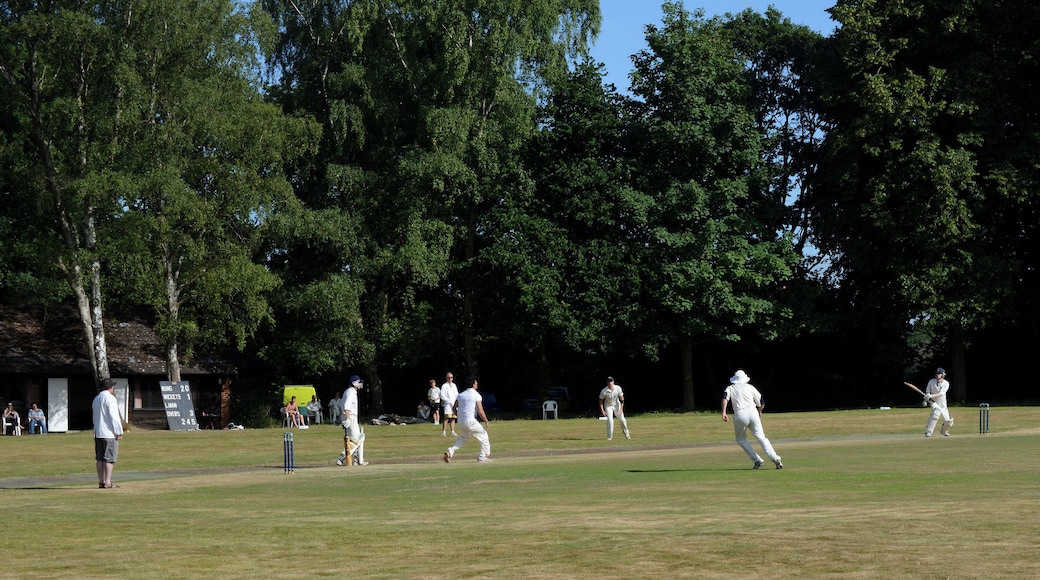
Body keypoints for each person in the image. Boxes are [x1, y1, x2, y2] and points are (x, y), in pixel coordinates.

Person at [721, 369, 783, 470]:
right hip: (753, 412)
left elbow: (725, 397)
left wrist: (724, 412)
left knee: (741, 439)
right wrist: (759, 411)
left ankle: (757, 460)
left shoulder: (731, 388)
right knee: (761, 437)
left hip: (740, 413)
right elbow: (762, 401)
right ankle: (775, 458)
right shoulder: (750, 387)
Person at [443, 377, 492, 463]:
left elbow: (454, 408)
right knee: (484, 436)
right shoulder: (476, 395)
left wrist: (459, 416)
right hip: (470, 421)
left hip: (461, 421)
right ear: (473, 384)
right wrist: (486, 421)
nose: (477, 384)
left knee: (463, 437)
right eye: (476, 383)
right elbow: (480, 411)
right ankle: (482, 456)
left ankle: (450, 451)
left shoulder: (461, 395)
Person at [93, 378, 124, 488]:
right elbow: (114, 416)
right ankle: (107, 482)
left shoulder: (96, 398)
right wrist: (118, 431)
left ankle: (101, 481)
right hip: (109, 433)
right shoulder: (110, 398)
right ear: (110, 387)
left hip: (98, 432)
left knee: (100, 458)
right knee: (109, 458)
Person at [336, 375, 368, 466]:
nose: (360, 384)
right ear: (354, 383)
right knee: (357, 439)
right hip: (350, 416)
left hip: (347, 416)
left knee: (357, 438)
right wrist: (348, 418)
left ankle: (356, 460)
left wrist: (341, 418)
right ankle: (342, 458)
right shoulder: (351, 392)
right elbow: (346, 406)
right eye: (359, 382)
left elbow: (340, 406)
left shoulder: (348, 391)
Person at [923, 367, 954, 437]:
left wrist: (931, 395)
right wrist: (926, 400)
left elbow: (941, 394)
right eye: (936, 373)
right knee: (936, 412)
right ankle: (928, 432)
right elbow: (927, 392)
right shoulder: (931, 381)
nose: (937, 375)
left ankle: (944, 431)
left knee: (949, 422)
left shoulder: (946, 383)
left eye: (939, 373)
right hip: (934, 402)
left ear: (943, 375)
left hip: (942, 404)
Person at [440, 372, 459, 437]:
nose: (450, 378)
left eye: (451, 377)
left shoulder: (454, 385)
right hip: (448, 404)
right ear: (446, 378)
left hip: (454, 404)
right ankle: (444, 431)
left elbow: (457, 394)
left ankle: (452, 431)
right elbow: (442, 395)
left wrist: (457, 402)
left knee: (453, 418)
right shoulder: (444, 386)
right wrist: (448, 401)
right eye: (449, 377)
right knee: (447, 418)